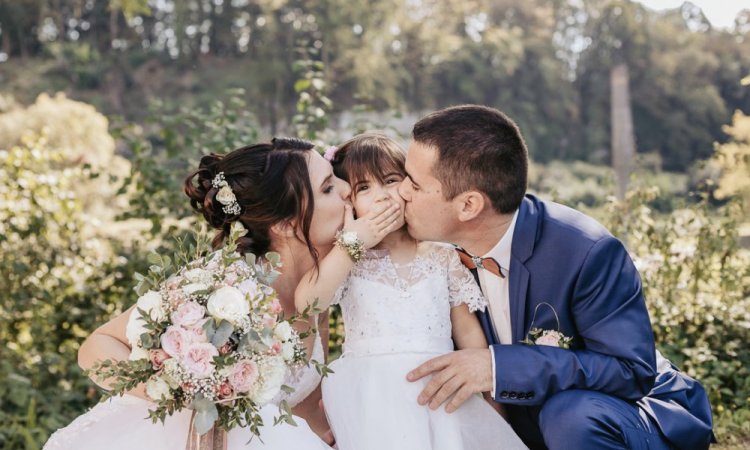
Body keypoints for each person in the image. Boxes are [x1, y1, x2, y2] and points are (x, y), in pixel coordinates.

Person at [399, 105, 715, 450]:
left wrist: (498, 366)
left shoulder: (585, 251)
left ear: (468, 206)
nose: (400, 192)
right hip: (523, 426)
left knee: (571, 416)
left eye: (413, 184)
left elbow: (631, 371)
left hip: (632, 415)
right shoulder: (433, 256)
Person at [44, 137, 385, 449]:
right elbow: (95, 347)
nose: (346, 191)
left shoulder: (320, 285)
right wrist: (182, 389)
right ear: (285, 224)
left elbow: (303, 405)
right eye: (327, 187)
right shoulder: (223, 289)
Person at [295, 133, 527, 450]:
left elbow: (469, 335)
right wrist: (353, 243)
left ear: (410, 186)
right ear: (349, 202)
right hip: (373, 398)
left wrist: (492, 406)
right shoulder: (347, 259)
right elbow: (308, 302)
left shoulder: (442, 255)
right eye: (364, 188)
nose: (381, 197)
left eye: (391, 181)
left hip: (437, 394)